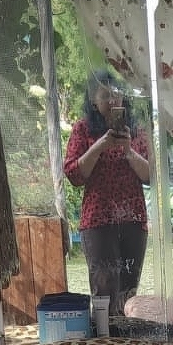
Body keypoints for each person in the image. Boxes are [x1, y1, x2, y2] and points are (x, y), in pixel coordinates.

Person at [63, 69, 152, 316]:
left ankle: (125, 336)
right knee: (103, 289)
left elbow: (150, 176)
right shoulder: (83, 129)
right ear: (94, 100)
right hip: (98, 220)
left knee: (128, 289)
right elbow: (74, 175)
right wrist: (100, 145)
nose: (113, 100)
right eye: (105, 96)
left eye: (117, 95)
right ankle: (104, 335)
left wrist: (128, 150)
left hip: (133, 219)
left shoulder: (136, 130)